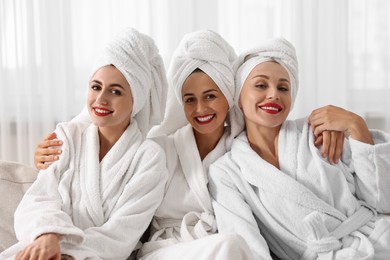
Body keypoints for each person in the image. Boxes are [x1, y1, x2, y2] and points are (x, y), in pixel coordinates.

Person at [32, 32, 344, 260]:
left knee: (232, 245)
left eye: (211, 95)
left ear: (228, 95)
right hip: (163, 250)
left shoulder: (242, 156)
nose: (200, 108)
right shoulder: (159, 149)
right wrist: (63, 141)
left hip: (218, 246)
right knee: (231, 246)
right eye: (189, 99)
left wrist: (342, 123)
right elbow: (112, 122)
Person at [208, 37, 390, 260]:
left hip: (381, 241)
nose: (274, 94)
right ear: (238, 99)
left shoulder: (318, 130)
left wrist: (356, 125)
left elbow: (382, 199)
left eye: (283, 87)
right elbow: (245, 246)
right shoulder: (227, 173)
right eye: (261, 85)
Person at [1, 27, 168, 260]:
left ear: (136, 99)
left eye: (115, 91)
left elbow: (122, 233)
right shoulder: (68, 136)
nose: (101, 99)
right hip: (44, 247)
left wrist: (67, 250)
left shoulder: (149, 157)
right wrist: (48, 235)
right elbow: (39, 198)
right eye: (96, 87)